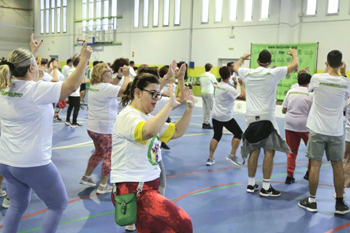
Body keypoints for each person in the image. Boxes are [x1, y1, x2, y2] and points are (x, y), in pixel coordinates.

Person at [0, 34, 92, 232]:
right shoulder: (35, 89)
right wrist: (84, 60)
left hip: (6, 161)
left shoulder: (3, 87)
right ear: (31, 68)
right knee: (58, 204)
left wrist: (30, 54)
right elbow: (71, 86)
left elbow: (21, 69)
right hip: (32, 162)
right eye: (35, 64)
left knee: (17, 205)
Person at [111, 71, 194, 233]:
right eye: (153, 94)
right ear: (138, 92)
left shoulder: (147, 117)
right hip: (134, 191)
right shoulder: (128, 116)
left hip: (147, 187)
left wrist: (189, 109)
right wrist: (169, 105)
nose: (156, 99)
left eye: (158, 95)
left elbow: (176, 131)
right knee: (182, 224)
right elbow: (147, 131)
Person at [234, 48, 298, 197]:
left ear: (257, 61)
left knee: (254, 151)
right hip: (267, 118)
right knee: (269, 151)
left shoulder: (247, 73)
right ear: (270, 63)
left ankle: (251, 184)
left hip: (250, 118)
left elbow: (236, 67)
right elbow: (294, 65)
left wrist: (242, 56)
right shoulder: (274, 73)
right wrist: (294, 54)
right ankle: (266, 187)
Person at [298, 51, 350, 214]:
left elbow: (312, 91)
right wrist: (343, 74)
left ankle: (312, 201)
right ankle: (340, 203)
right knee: (337, 167)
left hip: (318, 129)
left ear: (326, 62)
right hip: (335, 131)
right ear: (341, 63)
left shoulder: (316, 78)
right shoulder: (346, 82)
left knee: (315, 165)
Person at [80, 63, 130, 194]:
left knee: (98, 153)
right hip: (105, 129)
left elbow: (111, 86)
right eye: (109, 71)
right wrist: (126, 76)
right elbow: (124, 90)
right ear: (103, 75)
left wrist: (119, 76)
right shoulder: (104, 87)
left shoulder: (95, 87)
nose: (111, 72)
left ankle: (86, 176)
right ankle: (103, 185)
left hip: (93, 128)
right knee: (109, 155)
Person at [206, 66, 246, 166]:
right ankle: (232, 155)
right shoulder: (228, 88)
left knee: (217, 136)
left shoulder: (219, 85)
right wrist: (241, 84)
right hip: (226, 117)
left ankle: (210, 158)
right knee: (238, 134)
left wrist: (235, 84)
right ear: (229, 75)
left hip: (216, 116)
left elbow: (230, 93)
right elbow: (242, 96)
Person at [282, 73, 313, 184]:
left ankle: (289, 176)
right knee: (311, 151)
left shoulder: (291, 91)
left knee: (291, 151)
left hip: (289, 124)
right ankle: (309, 173)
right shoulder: (311, 94)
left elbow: (283, 110)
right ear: (309, 82)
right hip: (305, 125)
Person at [65, 58, 83, 127]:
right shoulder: (77, 71)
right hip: (75, 92)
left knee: (70, 106)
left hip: (70, 92)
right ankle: (74, 122)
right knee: (76, 107)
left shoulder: (70, 71)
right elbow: (80, 81)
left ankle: (67, 120)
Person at [200, 63, 218, 129]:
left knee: (205, 108)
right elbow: (216, 83)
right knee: (210, 108)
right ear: (211, 69)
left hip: (203, 92)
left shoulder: (202, 75)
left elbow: (205, 83)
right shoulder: (211, 76)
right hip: (209, 93)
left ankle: (204, 122)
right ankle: (207, 123)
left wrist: (212, 85)